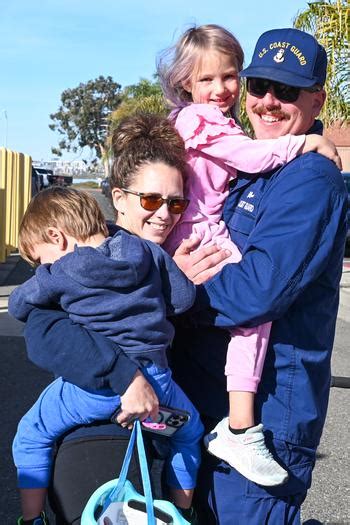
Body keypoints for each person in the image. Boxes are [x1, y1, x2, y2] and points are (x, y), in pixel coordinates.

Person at [167, 27, 348, 524]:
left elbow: (255, 292)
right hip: (205, 402)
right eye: (259, 86)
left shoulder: (311, 178)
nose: (268, 102)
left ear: (317, 99)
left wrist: (173, 290)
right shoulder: (250, 166)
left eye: (286, 91)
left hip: (264, 421)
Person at [10, 120, 202, 525]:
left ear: (57, 238)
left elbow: (21, 305)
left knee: (32, 432)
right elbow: (184, 299)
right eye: (151, 200)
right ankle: (183, 509)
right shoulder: (146, 253)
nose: (165, 214)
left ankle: (31, 518)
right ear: (116, 199)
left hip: (93, 392)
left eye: (38, 257)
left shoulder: (63, 269)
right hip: (160, 382)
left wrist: (39, 286)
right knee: (188, 433)